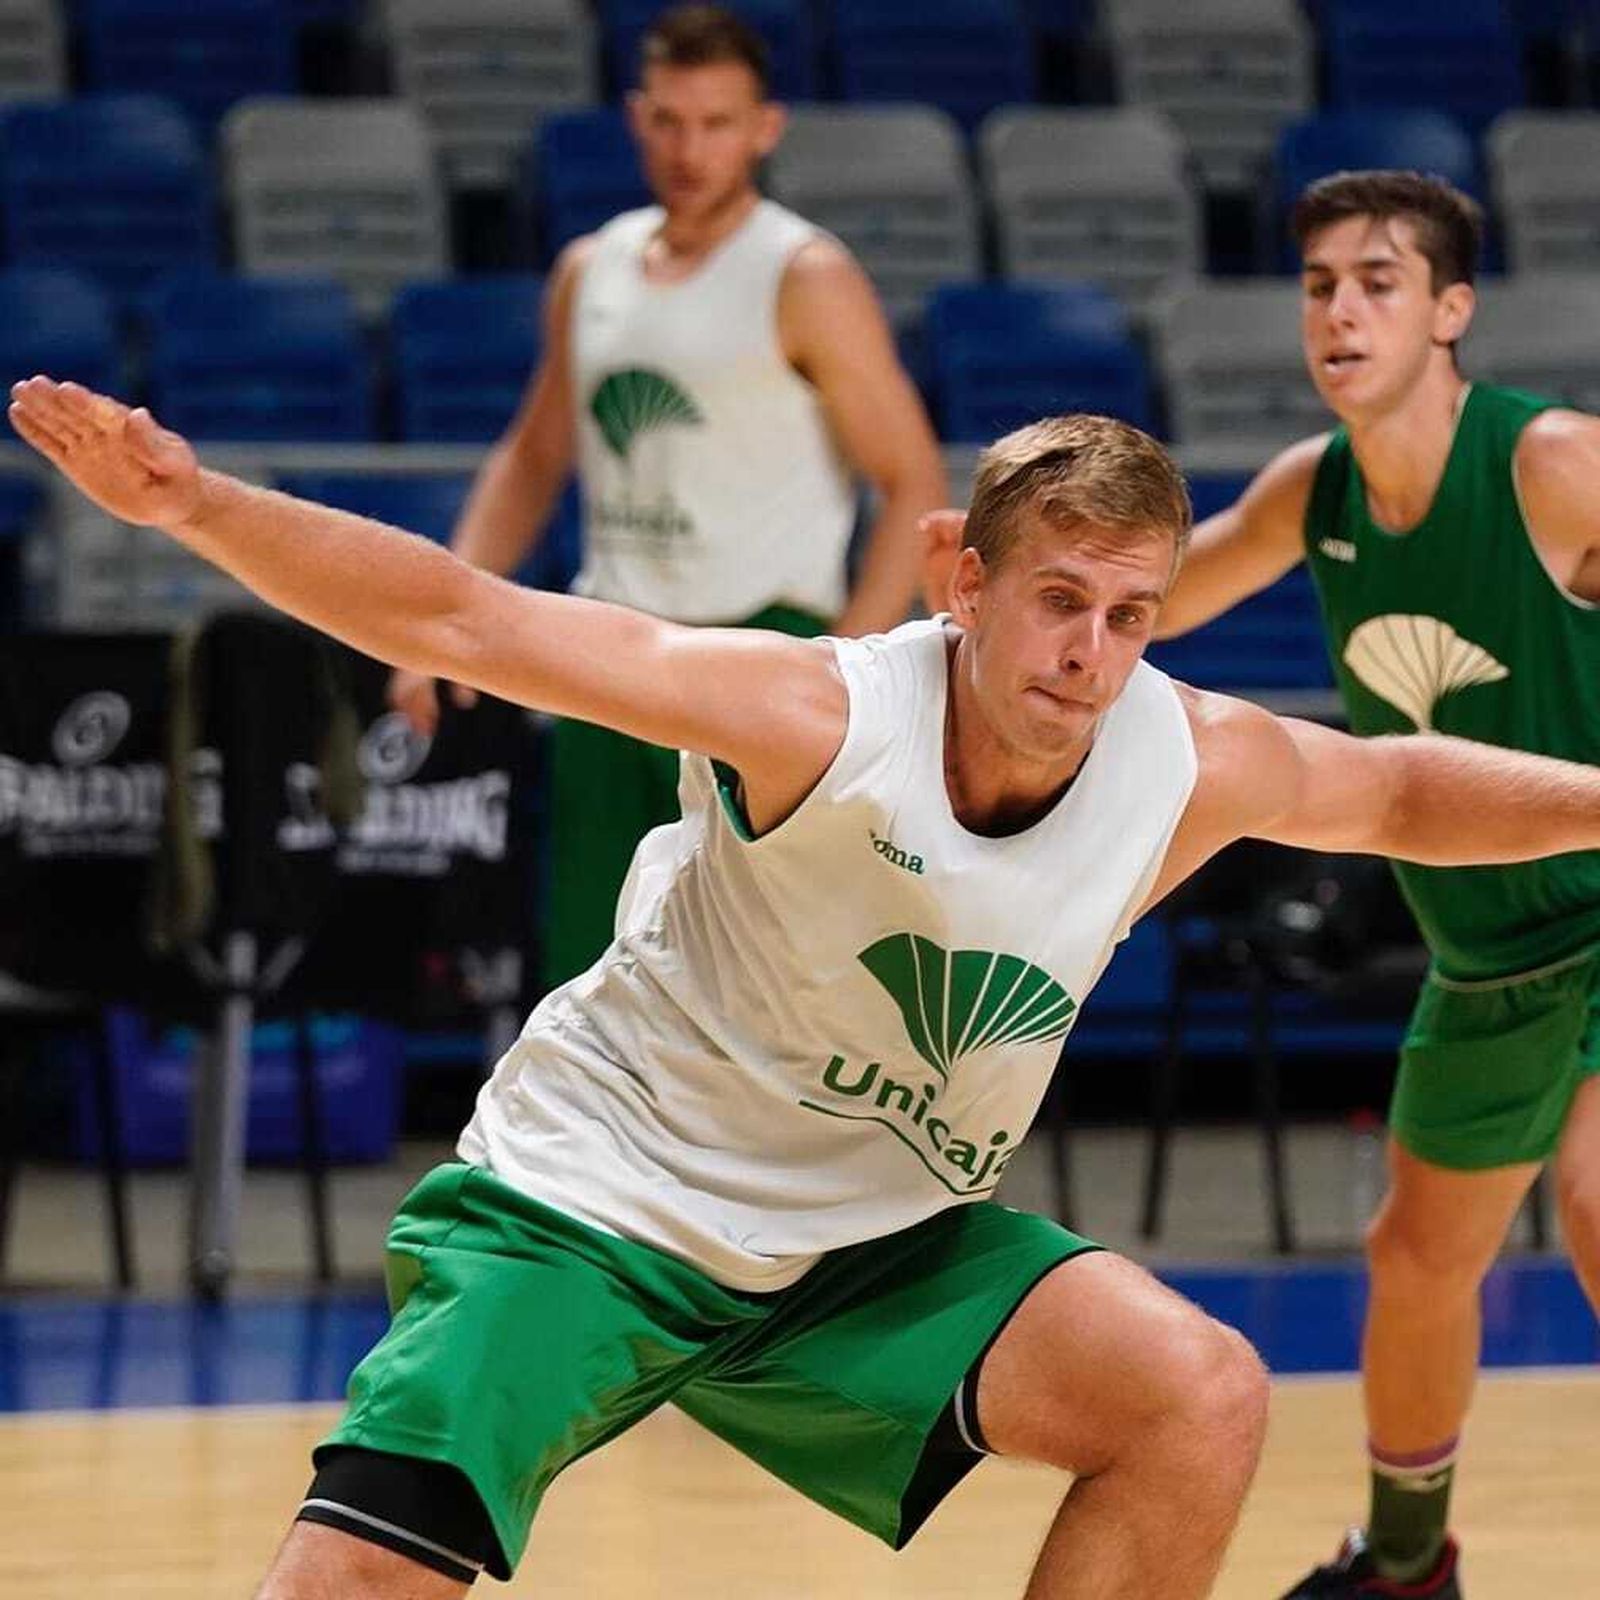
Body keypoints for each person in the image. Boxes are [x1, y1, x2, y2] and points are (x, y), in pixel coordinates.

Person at [18, 379, 1600, 1600]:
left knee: (1196, 1395)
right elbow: (467, 620)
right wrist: (196, 504)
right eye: (1059, 602)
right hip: (603, 1207)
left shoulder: (1186, 755)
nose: (1093, 655)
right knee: (363, 1564)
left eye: (1132, 615)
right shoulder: (815, 715)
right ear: (966, 588)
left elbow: (1395, 790)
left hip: (865, 1242)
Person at [923, 171, 1600, 1598]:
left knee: (1599, 1201)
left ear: (1453, 310)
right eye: (1319, 286)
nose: (1342, 310)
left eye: (1379, 282)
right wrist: (964, 627)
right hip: (1487, 955)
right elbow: (1146, 599)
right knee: (1417, 1258)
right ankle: (1407, 1564)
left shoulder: (1548, 465)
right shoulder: (1320, 492)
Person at [389, 3, 946, 991]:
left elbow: (911, 479)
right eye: (672, 122)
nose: (693, 149)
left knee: (759, 978)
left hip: (759, 649)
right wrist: (448, 616)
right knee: (592, 975)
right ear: (637, 117)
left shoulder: (805, 274)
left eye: (718, 124)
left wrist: (853, 671)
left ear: (763, 129)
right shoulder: (587, 269)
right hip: (606, 657)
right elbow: (532, 454)